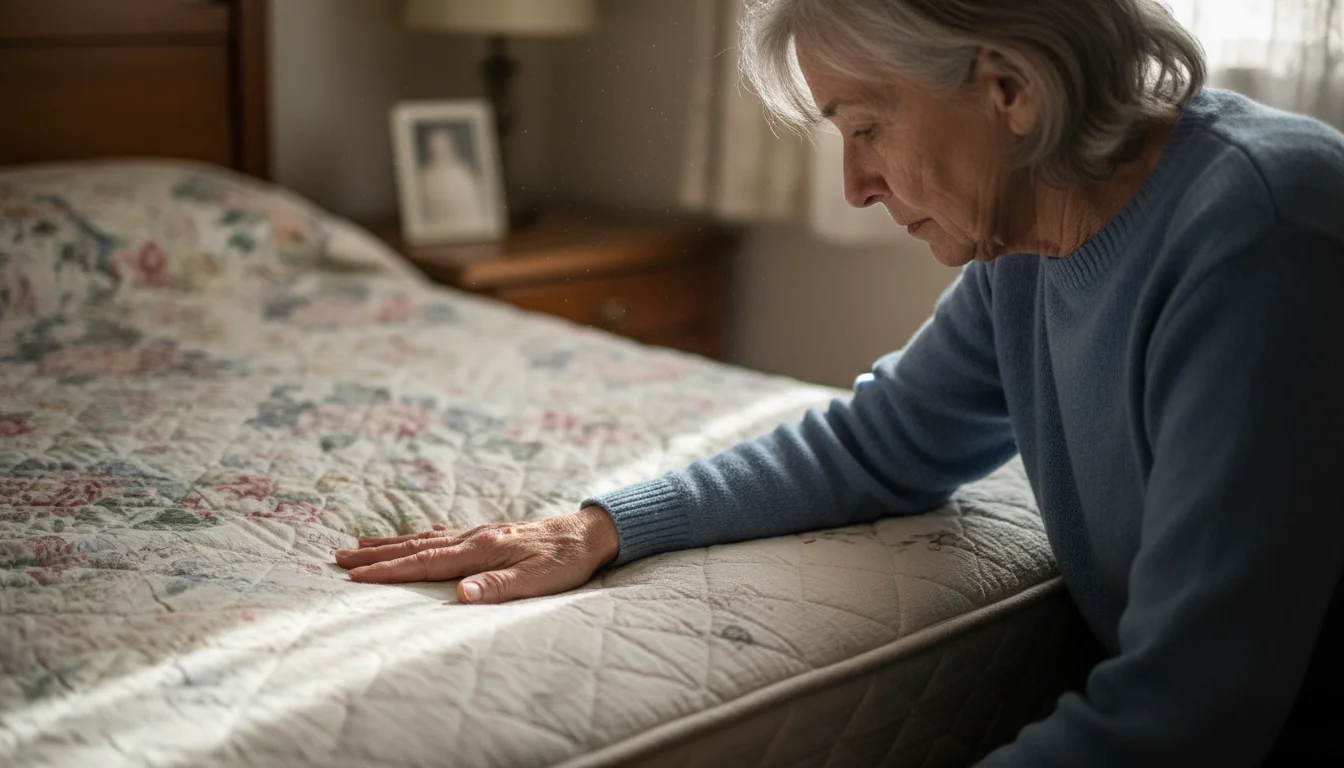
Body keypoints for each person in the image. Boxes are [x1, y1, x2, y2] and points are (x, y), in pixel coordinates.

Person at [336, 0, 1344, 764]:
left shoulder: (1262, 234)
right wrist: (599, 525)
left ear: (1010, 89)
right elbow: (878, 443)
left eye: (867, 126)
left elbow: (1193, 710)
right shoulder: (1027, 243)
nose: (857, 185)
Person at [417, 125, 486, 227]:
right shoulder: (425, 175)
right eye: (435, 146)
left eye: (443, 145)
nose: (439, 150)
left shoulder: (463, 172)